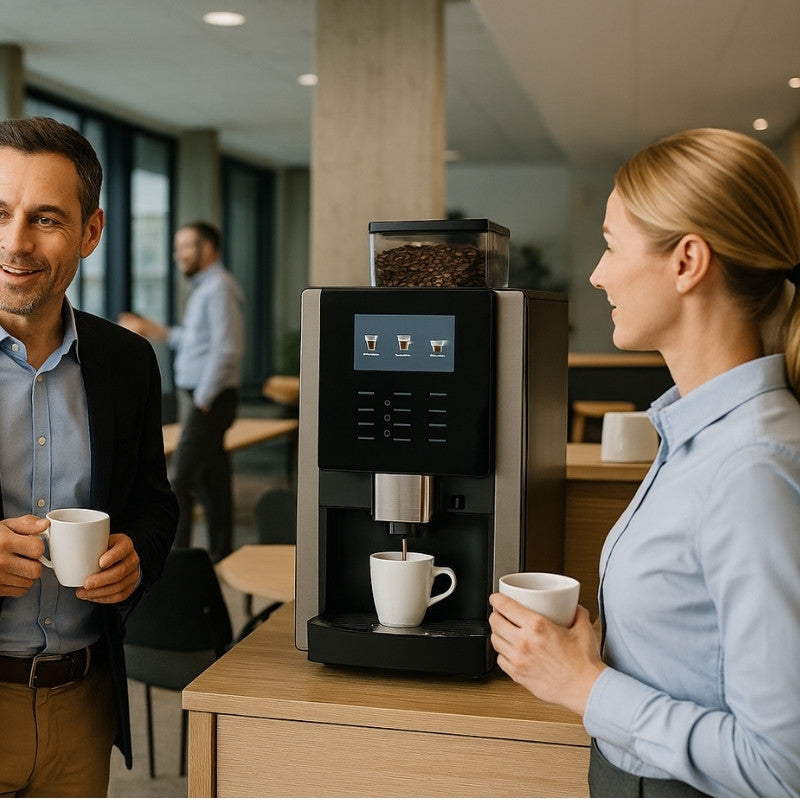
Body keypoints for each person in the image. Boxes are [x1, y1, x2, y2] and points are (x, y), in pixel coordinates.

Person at [489, 128, 800, 797]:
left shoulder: (751, 467)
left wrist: (584, 684)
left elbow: (784, 766)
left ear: (687, 261)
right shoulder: (699, 436)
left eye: (609, 243)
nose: (598, 274)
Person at [0, 116, 178, 795]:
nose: (16, 243)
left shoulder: (128, 362)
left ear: (92, 232)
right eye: (0, 213)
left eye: (46, 218)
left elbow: (155, 504)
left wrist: (137, 552)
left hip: (84, 701)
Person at [119, 222, 244, 562]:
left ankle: (175, 563)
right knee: (211, 482)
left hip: (208, 401)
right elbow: (193, 341)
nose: (179, 255)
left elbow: (227, 349)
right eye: (177, 247)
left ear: (210, 248)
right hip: (203, 399)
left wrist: (203, 399)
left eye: (186, 246)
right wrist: (151, 329)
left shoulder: (218, 287)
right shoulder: (206, 288)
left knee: (178, 482)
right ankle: (221, 554)